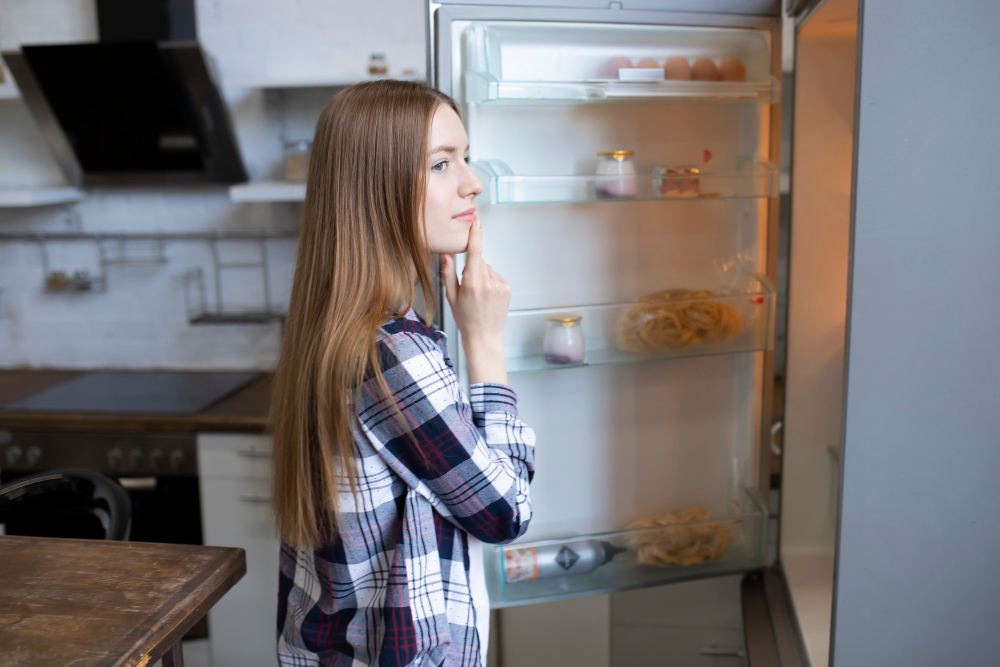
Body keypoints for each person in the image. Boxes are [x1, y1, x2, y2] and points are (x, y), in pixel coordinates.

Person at [270, 80, 536, 667]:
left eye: (464, 157)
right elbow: (505, 511)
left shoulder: (334, 327)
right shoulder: (392, 353)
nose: (472, 182)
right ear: (376, 189)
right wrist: (486, 343)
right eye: (443, 164)